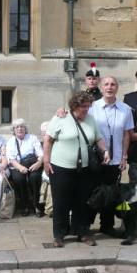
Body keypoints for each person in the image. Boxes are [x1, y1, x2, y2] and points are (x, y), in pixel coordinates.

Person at [43, 91, 110, 247]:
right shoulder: (61, 118)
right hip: (60, 168)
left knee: (82, 203)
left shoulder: (91, 120)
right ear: (74, 105)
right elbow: (47, 140)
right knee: (61, 203)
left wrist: (105, 150)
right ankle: (59, 235)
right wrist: (46, 160)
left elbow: (98, 138)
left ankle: (82, 233)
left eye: (88, 106)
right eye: (83, 106)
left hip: (84, 170)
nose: (86, 109)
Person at [88, 76, 134, 237]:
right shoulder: (92, 108)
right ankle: (86, 225)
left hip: (115, 160)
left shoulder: (125, 109)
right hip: (95, 159)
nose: (109, 87)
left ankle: (106, 225)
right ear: (101, 88)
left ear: (117, 87)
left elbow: (126, 135)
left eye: (113, 84)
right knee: (92, 192)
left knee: (110, 195)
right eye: (106, 84)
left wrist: (123, 157)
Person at [6, 118, 44, 217]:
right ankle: (24, 205)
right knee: (19, 179)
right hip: (18, 166)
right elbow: (11, 159)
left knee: (35, 178)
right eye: (17, 127)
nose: (19, 129)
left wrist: (38, 163)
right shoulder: (11, 141)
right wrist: (20, 167)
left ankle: (37, 205)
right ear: (13, 130)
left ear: (25, 128)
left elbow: (40, 153)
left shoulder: (32, 138)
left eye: (22, 126)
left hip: (33, 164)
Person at [38, 121, 53, 217]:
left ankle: (50, 208)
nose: (44, 134)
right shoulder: (39, 143)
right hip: (44, 170)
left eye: (46, 132)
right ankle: (49, 208)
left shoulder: (55, 143)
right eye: (42, 132)